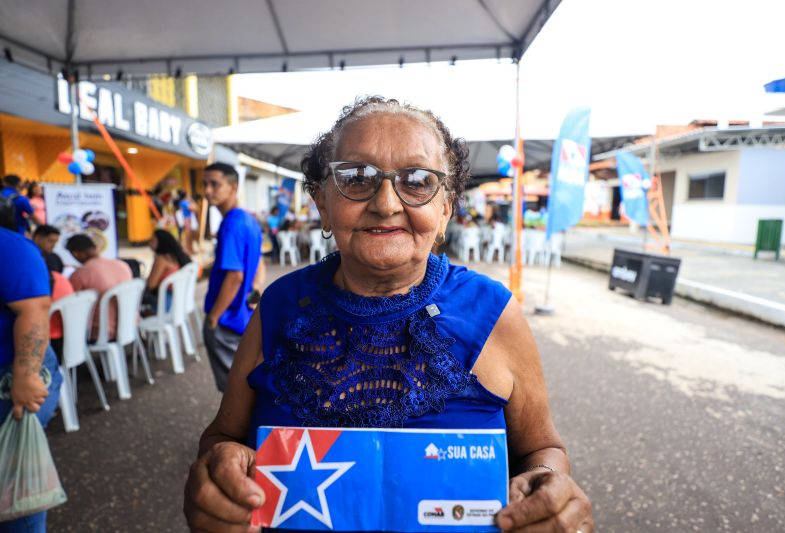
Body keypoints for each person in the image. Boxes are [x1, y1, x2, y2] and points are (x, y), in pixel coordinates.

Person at [184, 97, 594, 532]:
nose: (385, 202)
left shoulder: (493, 312)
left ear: (446, 208)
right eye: (357, 177)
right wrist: (215, 476)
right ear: (322, 202)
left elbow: (543, 448)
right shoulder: (280, 306)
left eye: (417, 180)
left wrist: (550, 486)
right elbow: (223, 436)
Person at [0, 226, 64, 533]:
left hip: (11, 387)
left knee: (15, 495)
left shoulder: (8, 246)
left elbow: (35, 308)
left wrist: (25, 377)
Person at [201, 163, 262, 393]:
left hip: (227, 320)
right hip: (242, 317)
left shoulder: (231, 225)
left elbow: (235, 276)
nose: (208, 191)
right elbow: (259, 264)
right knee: (244, 384)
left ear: (233, 186)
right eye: (205, 184)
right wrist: (254, 288)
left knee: (236, 393)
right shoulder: (248, 220)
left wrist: (213, 318)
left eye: (214, 184)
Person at [65, 234, 132, 340]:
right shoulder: (122, 265)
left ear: (76, 254)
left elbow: (69, 303)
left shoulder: (81, 273)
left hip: (101, 331)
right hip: (130, 325)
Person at [140, 229, 192, 315]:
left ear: (161, 242)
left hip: (165, 304)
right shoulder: (178, 257)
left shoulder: (161, 259)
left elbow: (151, 285)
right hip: (179, 302)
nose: (149, 244)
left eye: (152, 241)